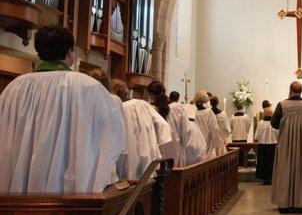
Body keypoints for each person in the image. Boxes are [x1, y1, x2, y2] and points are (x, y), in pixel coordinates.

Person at [0, 25, 126, 193]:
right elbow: (111, 140)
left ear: (40, 51)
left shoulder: (14, 88)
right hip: (70, 201)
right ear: (70, 52)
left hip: (15, 202)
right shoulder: (88, 88)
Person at [271, 81, 302, 214]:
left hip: (286, 145)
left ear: (290, 90)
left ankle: (284, 204)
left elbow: (274, 124)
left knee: (285, 170)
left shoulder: (282, 105)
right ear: (301, 90)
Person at [149, 81, 205, 167]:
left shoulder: (151, 109)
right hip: (175, 153)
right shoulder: (177, 108)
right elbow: (186, 131)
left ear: (151, 95)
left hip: (158, 154)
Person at [121, 88, 172, 179]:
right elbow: (163, 125)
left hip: (126, 159)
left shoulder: (120, 108)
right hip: (147, 155)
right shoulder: (142, 104)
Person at [192, 89, 225, 159]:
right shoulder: (209, 112)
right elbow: (215, 129)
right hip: (207, 144)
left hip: (195, 144)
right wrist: (219, 145)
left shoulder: (192, 112)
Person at [254, 106, 278, 185]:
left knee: (263, 162)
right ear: (271, 113)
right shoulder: (274, 122)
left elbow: (257, 135)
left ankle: (264, 179)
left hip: (263, 145)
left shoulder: (261, 123)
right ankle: (272, 178)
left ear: (264, 114)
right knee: (272, 162)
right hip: (272, 145)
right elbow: (277, 133)